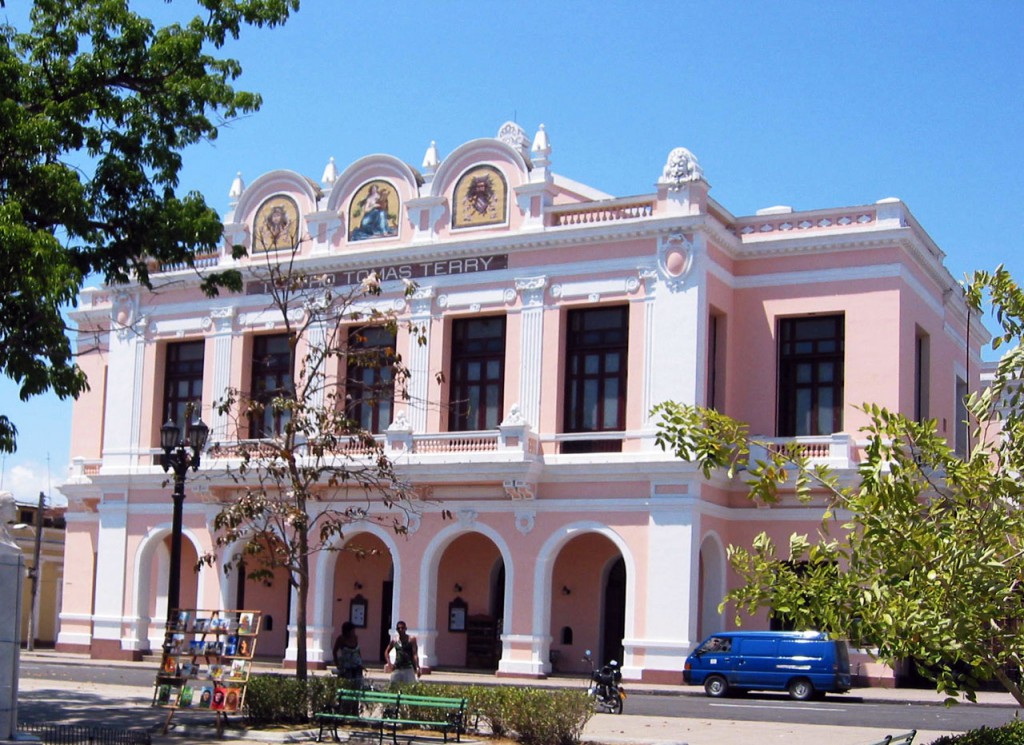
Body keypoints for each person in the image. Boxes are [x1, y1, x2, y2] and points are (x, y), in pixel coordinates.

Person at [332, 621, 364, 689]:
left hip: (357, 665)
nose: (354, 632)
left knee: (357, 683)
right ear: (347, 631)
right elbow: (334, 651)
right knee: (346, 684)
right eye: (352, 631)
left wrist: (361, 662)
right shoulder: (341, 639)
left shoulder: (355, 638)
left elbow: (358, 651)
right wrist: (337, 664)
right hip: (346, 666)